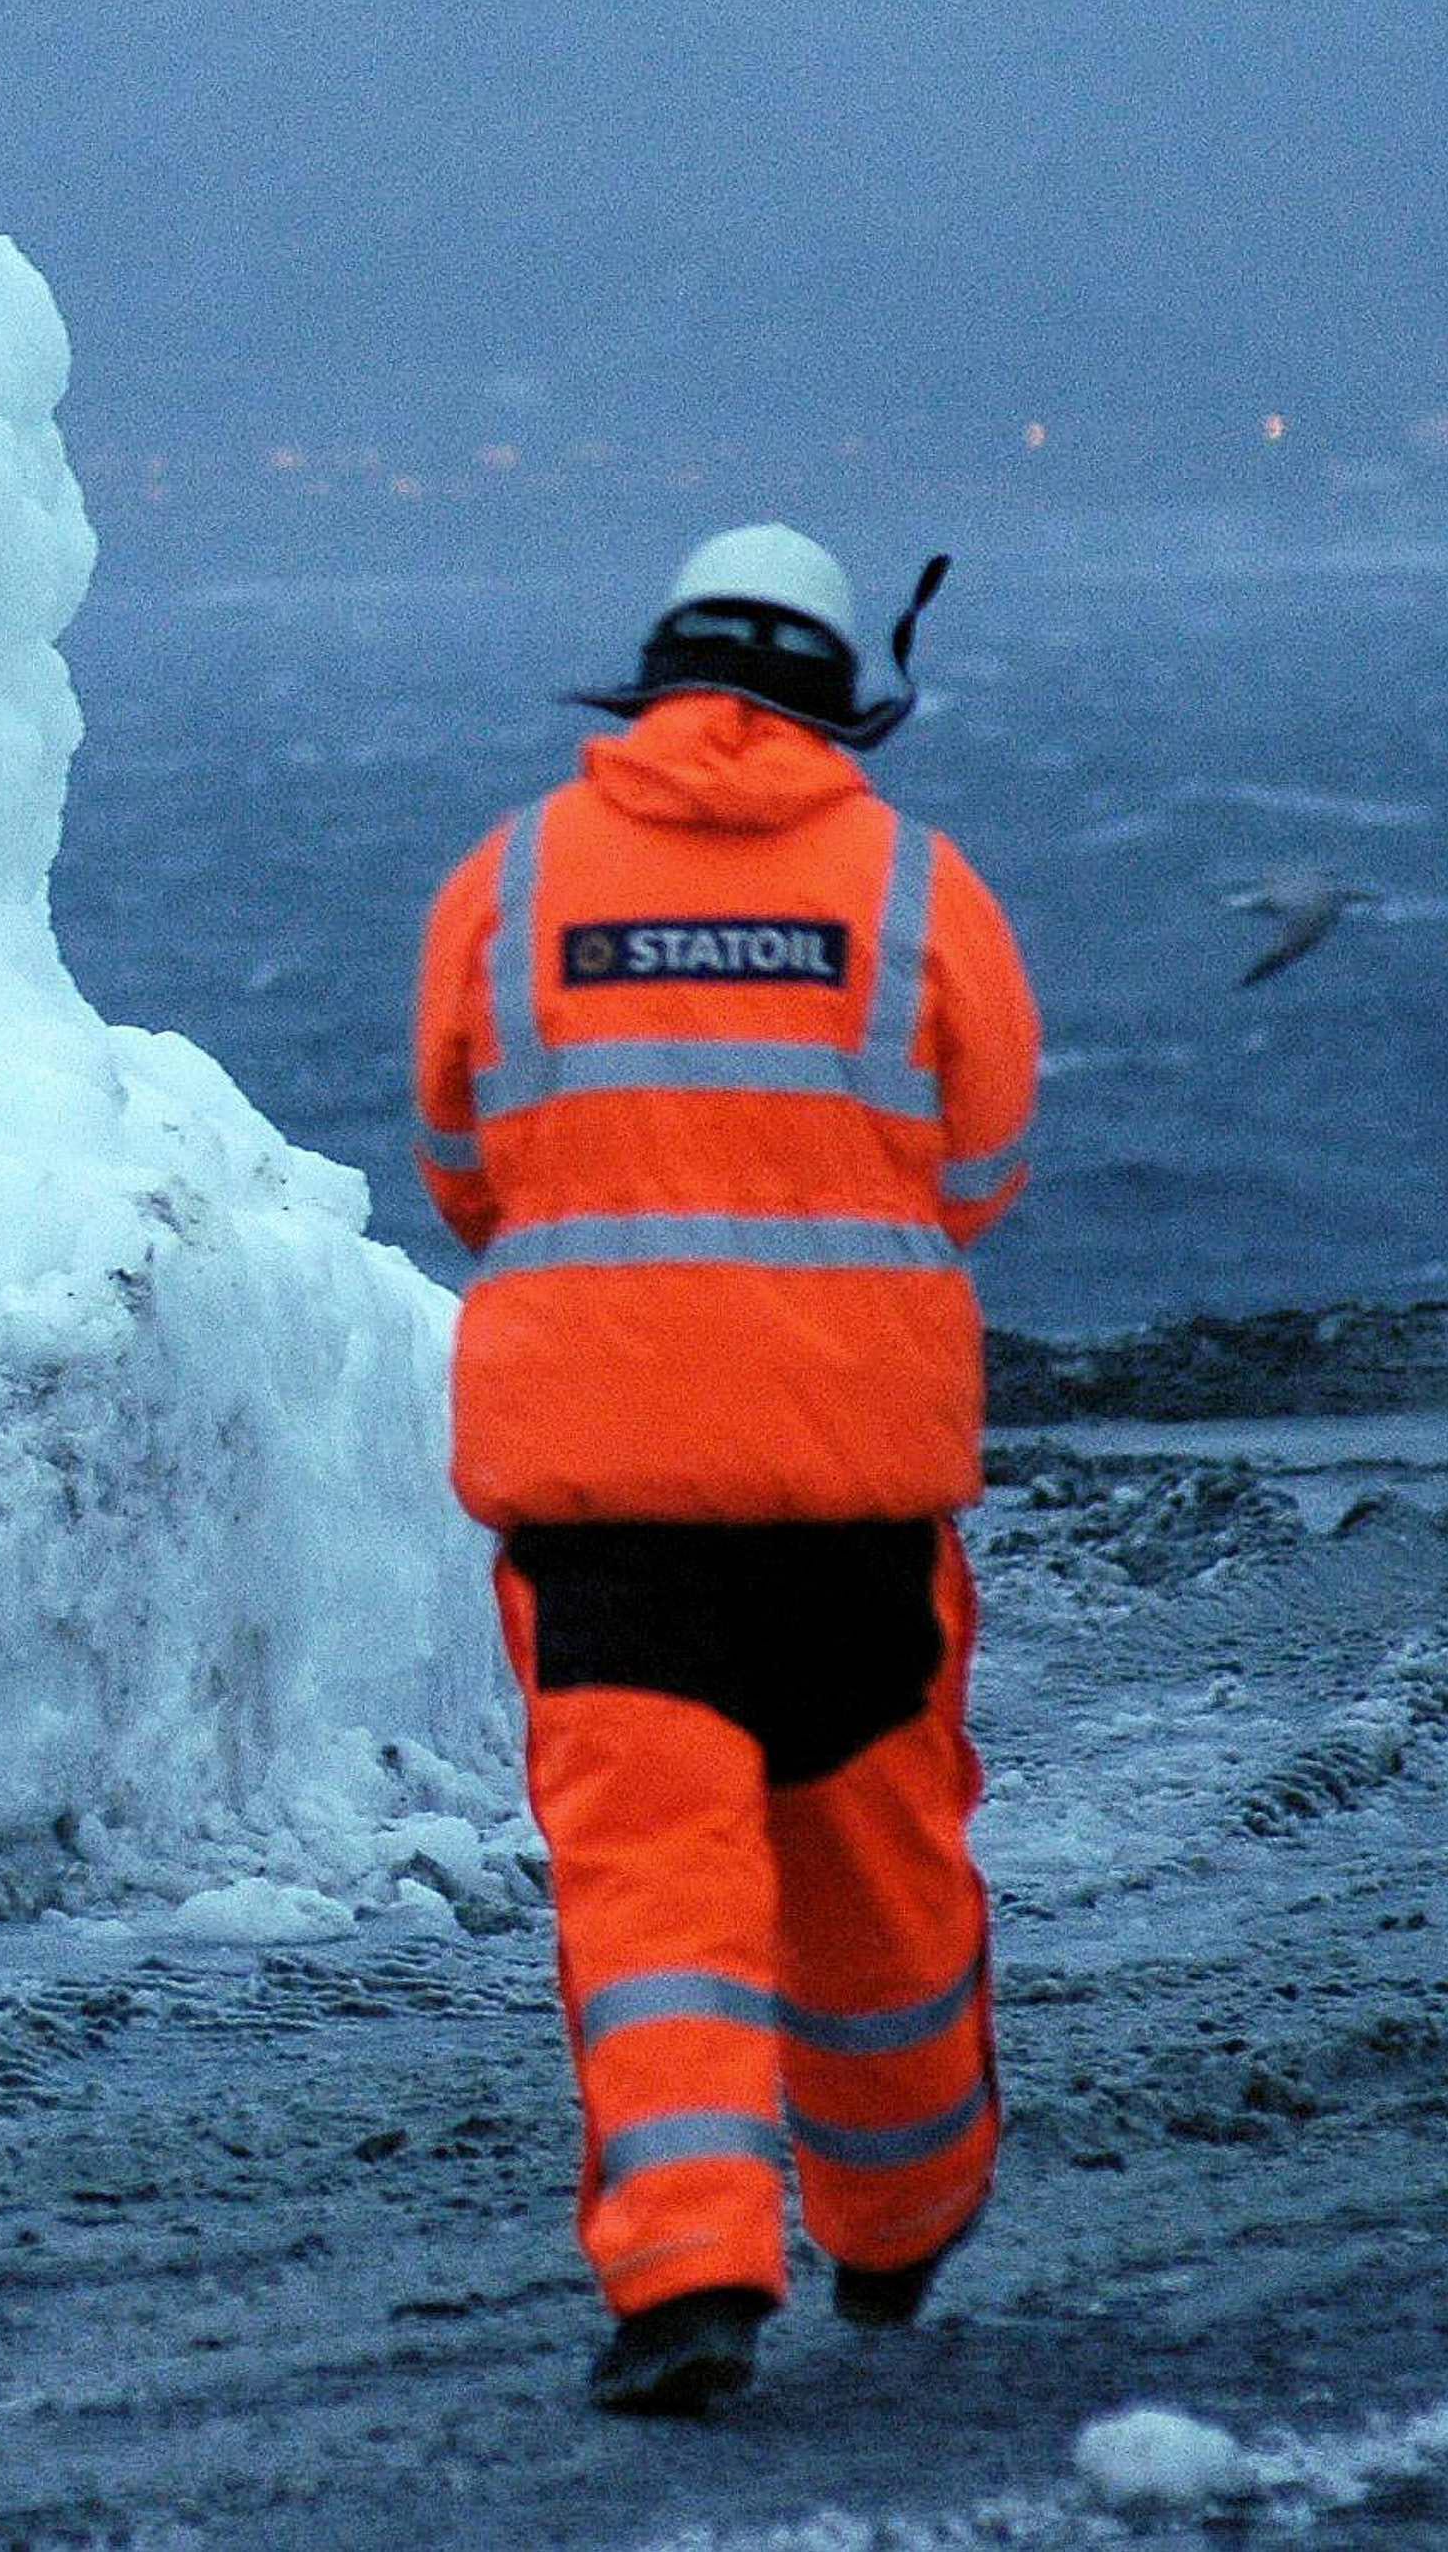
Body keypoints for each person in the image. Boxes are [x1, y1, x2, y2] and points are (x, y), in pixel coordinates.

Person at [409, 524, 1038, 2418]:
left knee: (652, 1899)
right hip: (855, 1505)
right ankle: (905, 2216)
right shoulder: (922, 890)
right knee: (882, 1889)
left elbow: (463, 1159)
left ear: (655, 683)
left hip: (608, 1515)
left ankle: (686, 2274)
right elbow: (984, 1165)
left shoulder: (509, 884)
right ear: (847, 701)